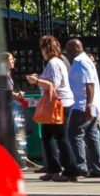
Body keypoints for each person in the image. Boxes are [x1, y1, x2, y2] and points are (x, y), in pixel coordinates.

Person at [29, 35, 74, 182]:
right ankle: (53, 168)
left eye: (42, 48)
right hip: (56, 103)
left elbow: (52, 85)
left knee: (61, 137)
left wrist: (36, 81)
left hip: (58, 104)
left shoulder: (54, 63)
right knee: (47, 137)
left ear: (46, 49)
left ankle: (70, 171)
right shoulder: (55, 63)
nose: (41, 51)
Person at [64, 37, 100, 180]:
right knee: (92, 137)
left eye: (68, 49)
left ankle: (81, 166)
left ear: (75, 49)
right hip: (89, 105)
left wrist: (88, 105)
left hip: (82, 105)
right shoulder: (85, 61)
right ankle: (97, 168)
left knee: (74, 135)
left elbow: (89, 84)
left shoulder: (81, 62)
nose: (66, 52)